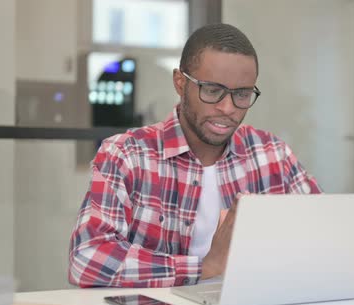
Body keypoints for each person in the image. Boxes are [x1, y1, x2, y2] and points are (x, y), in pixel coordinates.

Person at [68, 23, 322, 288]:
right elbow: (86, 259)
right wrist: (205, 267)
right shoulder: (126, 154)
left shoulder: (272, 154)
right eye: (212, 91)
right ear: (180, 83)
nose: (227, 108)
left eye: (242, 94)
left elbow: (325, 236)